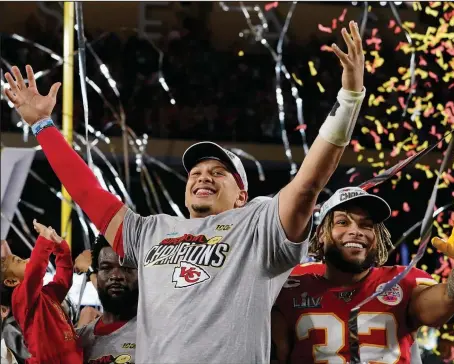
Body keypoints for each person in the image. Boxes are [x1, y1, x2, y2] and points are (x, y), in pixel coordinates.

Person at [4, 21, 366, 363]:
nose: (202, 177)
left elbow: (306, 185)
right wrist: (43, 125)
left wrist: (349, 100)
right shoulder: (150, 231)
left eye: (218, 172)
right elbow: (87, 191)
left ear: (241, 195)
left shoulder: (259, 226)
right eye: (195, 172)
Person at [271, 186, 454, 363]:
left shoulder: (401, 281)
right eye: (342, 222)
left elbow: (450, 299)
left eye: (366, 225)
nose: (356, 231)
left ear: (376, 238)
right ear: (321, 235)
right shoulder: (292, 281)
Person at [0, 222, 83, 363]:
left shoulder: (46, 294)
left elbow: (64, 281)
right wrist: (44, 240)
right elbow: (35, 272)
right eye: (19, 261)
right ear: (12, 282)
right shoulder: (19, 299)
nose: (27, 259)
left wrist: (61, 248)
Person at [74, 236, 138, 364]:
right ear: (98, 274)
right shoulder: (79, 339)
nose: (115, 276)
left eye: (126, 268)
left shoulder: (156, 332)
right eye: (106, 268)